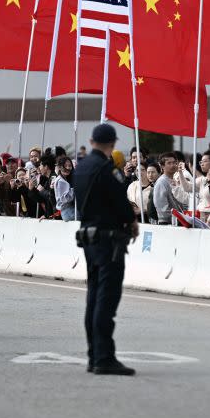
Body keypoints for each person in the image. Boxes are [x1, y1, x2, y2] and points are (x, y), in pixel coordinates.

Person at [73, 123, 139, 376]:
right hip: (108, 240)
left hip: (89, 238)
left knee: (94, 297)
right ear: (112, 143)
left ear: (91, 142)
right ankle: (103, 357)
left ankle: (94, 355)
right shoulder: (106, 168)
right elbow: (121, 203)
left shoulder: (81, 168)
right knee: (106, 298)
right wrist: (131, 221)